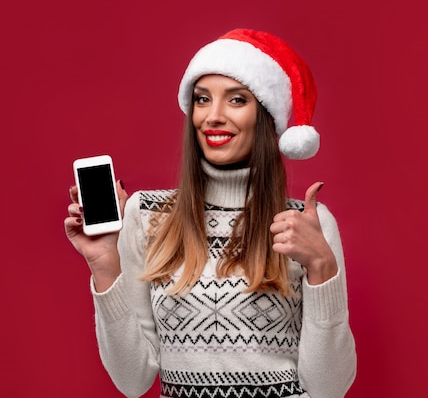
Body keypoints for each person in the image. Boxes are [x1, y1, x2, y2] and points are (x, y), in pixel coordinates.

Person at [65, 28, 356, 398]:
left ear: (265, 115)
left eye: (236, 100)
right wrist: (105, 264)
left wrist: (322, 269)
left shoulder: (306, 225)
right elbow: (132, 380)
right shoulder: (147, 215)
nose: (213, 116)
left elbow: (329, 388)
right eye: (202, 100)